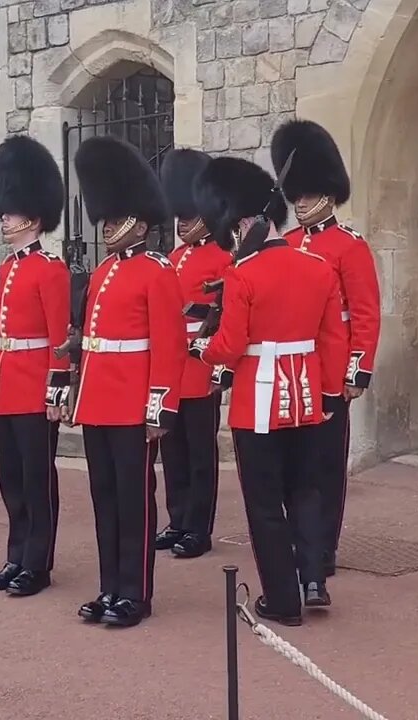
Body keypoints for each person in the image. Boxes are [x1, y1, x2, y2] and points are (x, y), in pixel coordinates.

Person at [189, 155, 348, 626]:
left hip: (258, 400)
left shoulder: (244, 273)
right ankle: (312, 577)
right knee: (305, 490)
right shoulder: (319, 267)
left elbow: (231, 345)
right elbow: (333, 340)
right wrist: (328, 394)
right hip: (306, 396)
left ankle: (282, 601)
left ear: (241, 224)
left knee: (264, 502)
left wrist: (202, 348)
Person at [68, 135, 185, 628]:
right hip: (99, 402)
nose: (109, 226)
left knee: (135, 501)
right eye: (107, 219)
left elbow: (169, 346)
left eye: (115, 220)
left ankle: (135, 592)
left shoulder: (157, 273)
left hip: (135, 404)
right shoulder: (101, 273)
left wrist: (159, 407)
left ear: (137, 222)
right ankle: (110, 586)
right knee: (105, 497)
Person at [271, 119, 382, 578]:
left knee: (325, 466)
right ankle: (299, 539)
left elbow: (365, 313)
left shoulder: (349, 246)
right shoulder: (287, 244)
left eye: (306, 194)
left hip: (331, 371)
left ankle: (323, 548)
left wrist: (358, 370)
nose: (299, 203)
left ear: (329, 195)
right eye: (294, 195)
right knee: (291, 465)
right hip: (290, 370)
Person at [0, 135, 70, 598]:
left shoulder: (51, 269)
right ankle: (16, 555)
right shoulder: (8, 270)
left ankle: (38, 561)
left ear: (31, 217)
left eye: (9, 213)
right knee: (10, 477)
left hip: (34, 386)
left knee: (37, 476)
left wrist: (56, 388)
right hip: (9, 383)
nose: (3, 218)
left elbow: (58, 338)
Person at [153, 148, 233, 560]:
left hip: (202, 367)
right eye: (179, 215)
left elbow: (226, 317)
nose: (181, 222)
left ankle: (199, 528)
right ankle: (178, 519)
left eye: (188, 214)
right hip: (172, 369)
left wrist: (219, 367)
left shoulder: (223, 256)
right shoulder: (173, 258)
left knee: (201, 453)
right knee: (174, 450)